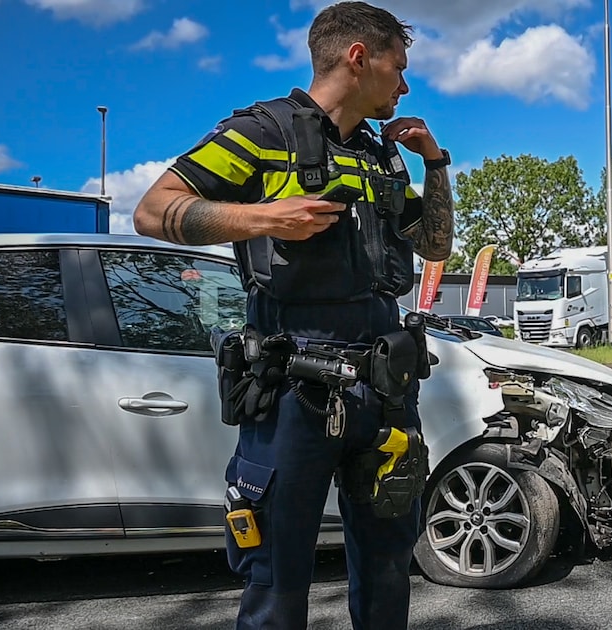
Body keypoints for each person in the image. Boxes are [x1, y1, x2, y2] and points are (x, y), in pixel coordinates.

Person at [133, 2, 453, 628]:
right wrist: (264, 217)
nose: (406, 85)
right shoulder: (261, 133)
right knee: (275, 582)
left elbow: (435, 247)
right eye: (399, 66)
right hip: (291, 391)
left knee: (389, 571)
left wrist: (434, 163)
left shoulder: (379, 154)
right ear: (358, 57)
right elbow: (151, 210)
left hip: (384, 393)